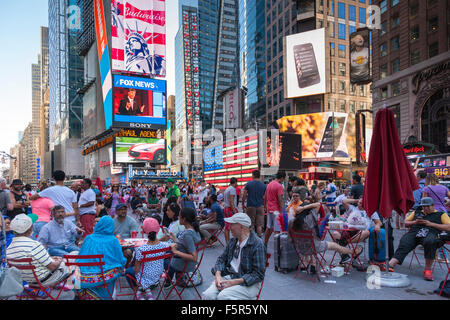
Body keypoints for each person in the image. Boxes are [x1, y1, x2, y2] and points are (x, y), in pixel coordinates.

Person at [202, 212, 266, 300]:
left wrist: (235, 282)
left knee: (223, 296)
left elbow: (258, 274)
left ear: (242, 227)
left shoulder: (257, 244)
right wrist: (218, 275)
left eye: (232, 224)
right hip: (230, 276)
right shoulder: (233, 241)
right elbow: (221, 259)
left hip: (248, 282)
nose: (229, 227)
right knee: (208, 295)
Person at [289, 202, 363, 273]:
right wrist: (303, 208)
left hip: (300, 249)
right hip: (313, 247)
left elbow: (290, 239)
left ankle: (313, 264)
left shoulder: (291, 222)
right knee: (335, 246)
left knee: (311, 242)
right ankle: (353, 252)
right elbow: (318, 204)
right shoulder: (309, 220)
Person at [388, 197, 450, 281]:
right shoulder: (417, 212)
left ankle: (428, 269)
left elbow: (448, 227)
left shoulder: (441, 214)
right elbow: (405, 222)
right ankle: (391, 264)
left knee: (430, 242)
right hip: (415, 232)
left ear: (433, 206)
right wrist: (415, 222)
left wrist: (430, 224)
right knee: (405, 240)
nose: (425, 208)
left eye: (428, 206)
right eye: (424, 206)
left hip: (431, 232)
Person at [7, 214, 71, 287]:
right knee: (73, 262)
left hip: (29, 281)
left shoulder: (9, 249)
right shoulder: (34, 245)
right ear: (30, 230)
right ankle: (77, 292)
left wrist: (51, 259)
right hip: (46, 279)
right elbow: (52, 267)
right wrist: (59, 261)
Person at [75, 216, 127, 300]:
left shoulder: (88, 238)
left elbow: (80, 257)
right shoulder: (113, 240)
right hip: (103, 276)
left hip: (82, 277)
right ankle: (105, 295)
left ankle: (81, 294)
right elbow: (120, 259)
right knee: (119, 268)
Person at [125, 217, 169, 300]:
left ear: (144, 231)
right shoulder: (165, 245)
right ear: (158, 229)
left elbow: (136, 270)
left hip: (145, 276)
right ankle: (147, 290)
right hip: (158, 274)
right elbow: (174, 245)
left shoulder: (141, 249)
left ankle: (138, 293)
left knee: (128, 271)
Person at [164, 207, 202, 288]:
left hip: (185, 265)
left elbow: (194, 257)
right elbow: (185, 245)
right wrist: (174, 238)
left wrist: (175, 251)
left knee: (163, 260)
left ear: (184, 219)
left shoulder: (187, 234)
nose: (178, 218)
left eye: (179, 216)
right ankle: (168, 282)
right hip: (189, 263)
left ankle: (167, 282)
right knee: (167, 255)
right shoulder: (195, 230)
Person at [333, 197, 374, 264]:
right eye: (359, 202)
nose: (360, 204)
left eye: (362, 203)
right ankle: (345, 256)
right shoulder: (353, 208)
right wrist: (357, 200)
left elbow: (378, 222)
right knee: (335, 234)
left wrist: (377, 226)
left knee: (366, 232)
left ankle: (343, 243)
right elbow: (343, 201)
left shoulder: (370, 211)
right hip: (349, 231)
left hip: (360, 233)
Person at [241, 170, 266, 238]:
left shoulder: (248, 184)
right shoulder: (263, 185)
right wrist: (265, 206)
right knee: (259, 225)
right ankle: (259, 239)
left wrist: (243, 204)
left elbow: (244, 195)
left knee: (251, 224)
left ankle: (251, 239)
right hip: (260, 206)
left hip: (250, 206)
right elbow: (265, 197)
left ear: (253, 175)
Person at [264, 171, 285, 246]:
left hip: (269, 208)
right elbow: (280, 199)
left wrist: (265, 206)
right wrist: (282, 210)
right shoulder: (279, 186)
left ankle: (265, 243)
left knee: (268, 227)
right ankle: (277, 247)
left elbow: (265, 197)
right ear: (282, 178)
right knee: (277, 229)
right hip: (276, 210)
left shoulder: (269, 184)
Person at [223, 178, 238, 244]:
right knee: (235, 225)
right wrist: (235, 211)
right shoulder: (232, 189)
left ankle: (227, 243)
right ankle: (235, 242)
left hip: (226, 208)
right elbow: (231, 201)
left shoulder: (227, 189)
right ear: (235, 182)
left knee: (227, 226)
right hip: (230, 209)